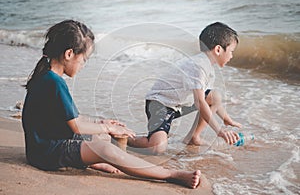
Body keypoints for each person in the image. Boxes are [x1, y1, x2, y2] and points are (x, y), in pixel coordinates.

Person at [21, 20, 201, 189]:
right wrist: (106, 127)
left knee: (101, 138)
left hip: (44, 145)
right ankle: (170, 174)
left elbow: (68, 118)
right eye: (84, 59)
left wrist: (102, 124)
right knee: (105, 147)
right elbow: (75, 126)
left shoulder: (47, 76)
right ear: (69, 54)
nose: (84, 65)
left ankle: (97, 160)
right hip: (46, 153)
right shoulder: (54, 82)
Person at [128, 22, 242, 155]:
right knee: (157, 148)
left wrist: (226, 118)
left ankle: (194, 137)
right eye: (231, 52)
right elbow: (199, 102)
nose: (231, 56)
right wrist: (219, 131)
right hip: (160, 104)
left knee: (214, 95)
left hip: (179, 104)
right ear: (218, 49)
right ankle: (124, 138)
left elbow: (209, 97)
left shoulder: (208, 67)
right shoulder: (199, 66)